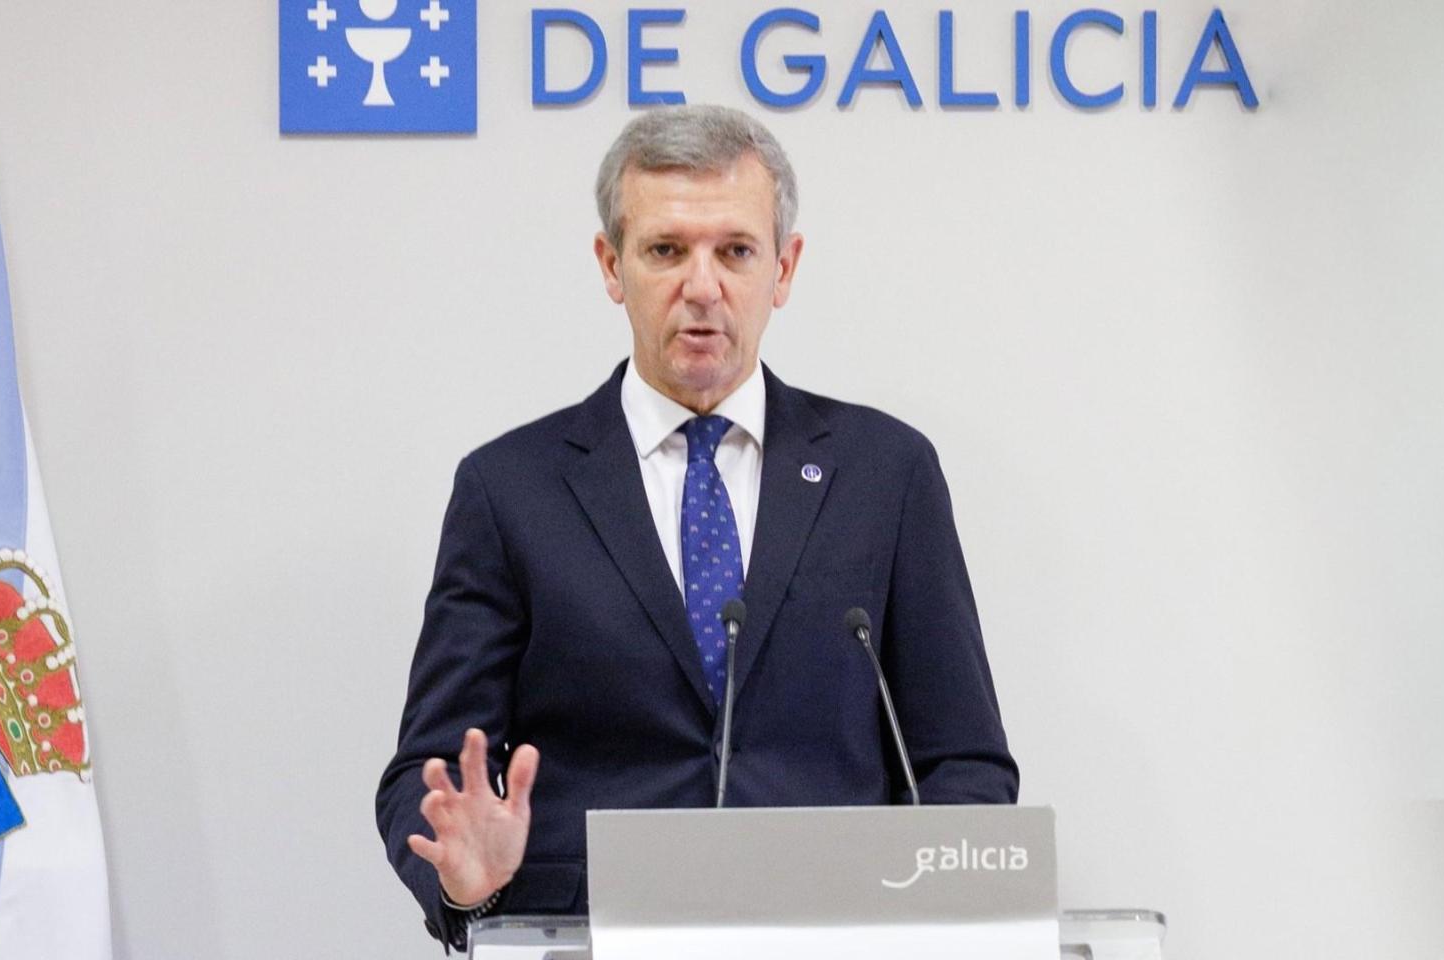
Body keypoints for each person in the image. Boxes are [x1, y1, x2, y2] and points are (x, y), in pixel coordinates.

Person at [375, 105, 1018, 950]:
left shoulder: (887, 473)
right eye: (666, 250)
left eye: (736, 251)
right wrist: (467, 882)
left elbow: (962, 760)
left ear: (784, 269)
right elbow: (424, 778)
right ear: (612, 265)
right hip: (589, 939)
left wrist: (931, 924)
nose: (703, 286)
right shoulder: (510, 489)